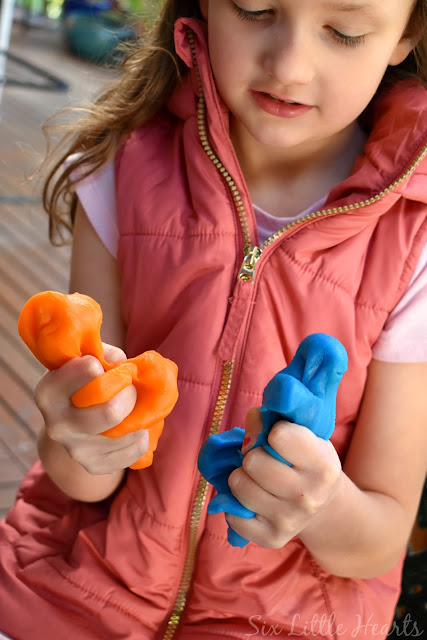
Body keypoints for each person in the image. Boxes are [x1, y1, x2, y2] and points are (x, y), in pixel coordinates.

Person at [1, 0, 427, 638]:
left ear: (406, 34)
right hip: (76, 585)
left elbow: (377, 543)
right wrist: (79, 437)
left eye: (345, 32)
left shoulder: (416, 240)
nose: (290, 67)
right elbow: (81, 484)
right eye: (254, 9)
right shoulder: (121, 169)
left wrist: (320, 504)